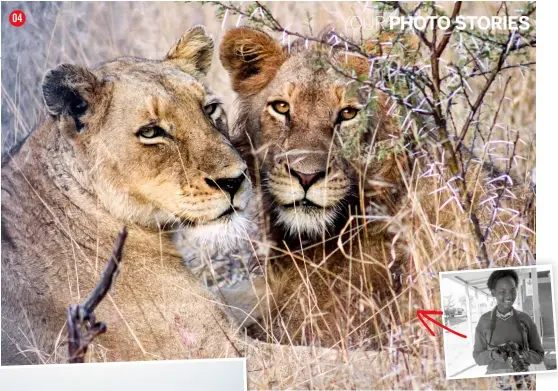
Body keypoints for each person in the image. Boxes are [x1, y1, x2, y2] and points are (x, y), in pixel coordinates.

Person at [473, 269, 545, 388]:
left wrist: (522, 355)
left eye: (513, 290)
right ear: (493, 293)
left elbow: (539, 356)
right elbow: (478, 358)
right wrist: (492, 355)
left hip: (523, 379)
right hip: (495, 381)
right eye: (502, 291)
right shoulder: (484, 321)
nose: (509, 295)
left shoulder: (525, 319)